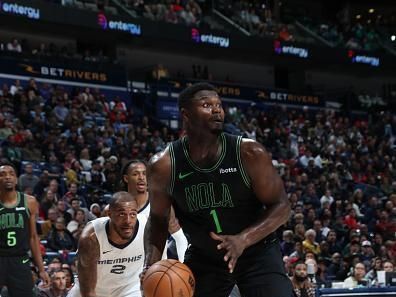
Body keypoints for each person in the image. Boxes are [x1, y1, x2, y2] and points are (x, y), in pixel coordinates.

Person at [143, 83, 292, 297]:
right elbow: (158, 220)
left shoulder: (249, 153)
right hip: (206, 258)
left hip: (256, 253)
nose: (216, 110)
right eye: (206, 105)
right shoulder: (164, 166)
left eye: (219, 105)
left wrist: (243, 239)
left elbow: (282, 206)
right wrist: (150, 266)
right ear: (186, 114)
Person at [67, 191, 145, 297]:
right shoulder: (90, 238)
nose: (128, 221)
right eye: (122, 214)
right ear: (110, 214)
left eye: (132, 214)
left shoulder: (147, 228)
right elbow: (88, 292)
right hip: (92, 289)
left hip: (128, 288)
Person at [121, 159, 188, 261]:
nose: (141, 177)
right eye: (135, 174)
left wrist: (184, 265)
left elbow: (179, 238)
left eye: (145, 173)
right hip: (125, 269)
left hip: (155, 270)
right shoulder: (116, 207)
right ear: (126, 178)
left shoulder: (160, 203)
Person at [0, 163, 50, 297]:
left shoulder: (29, 202)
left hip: (20, 259)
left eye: (11, 174)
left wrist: (42, 269)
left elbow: (33, 237)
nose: (7, 177)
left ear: (16, 179)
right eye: (3, 174)